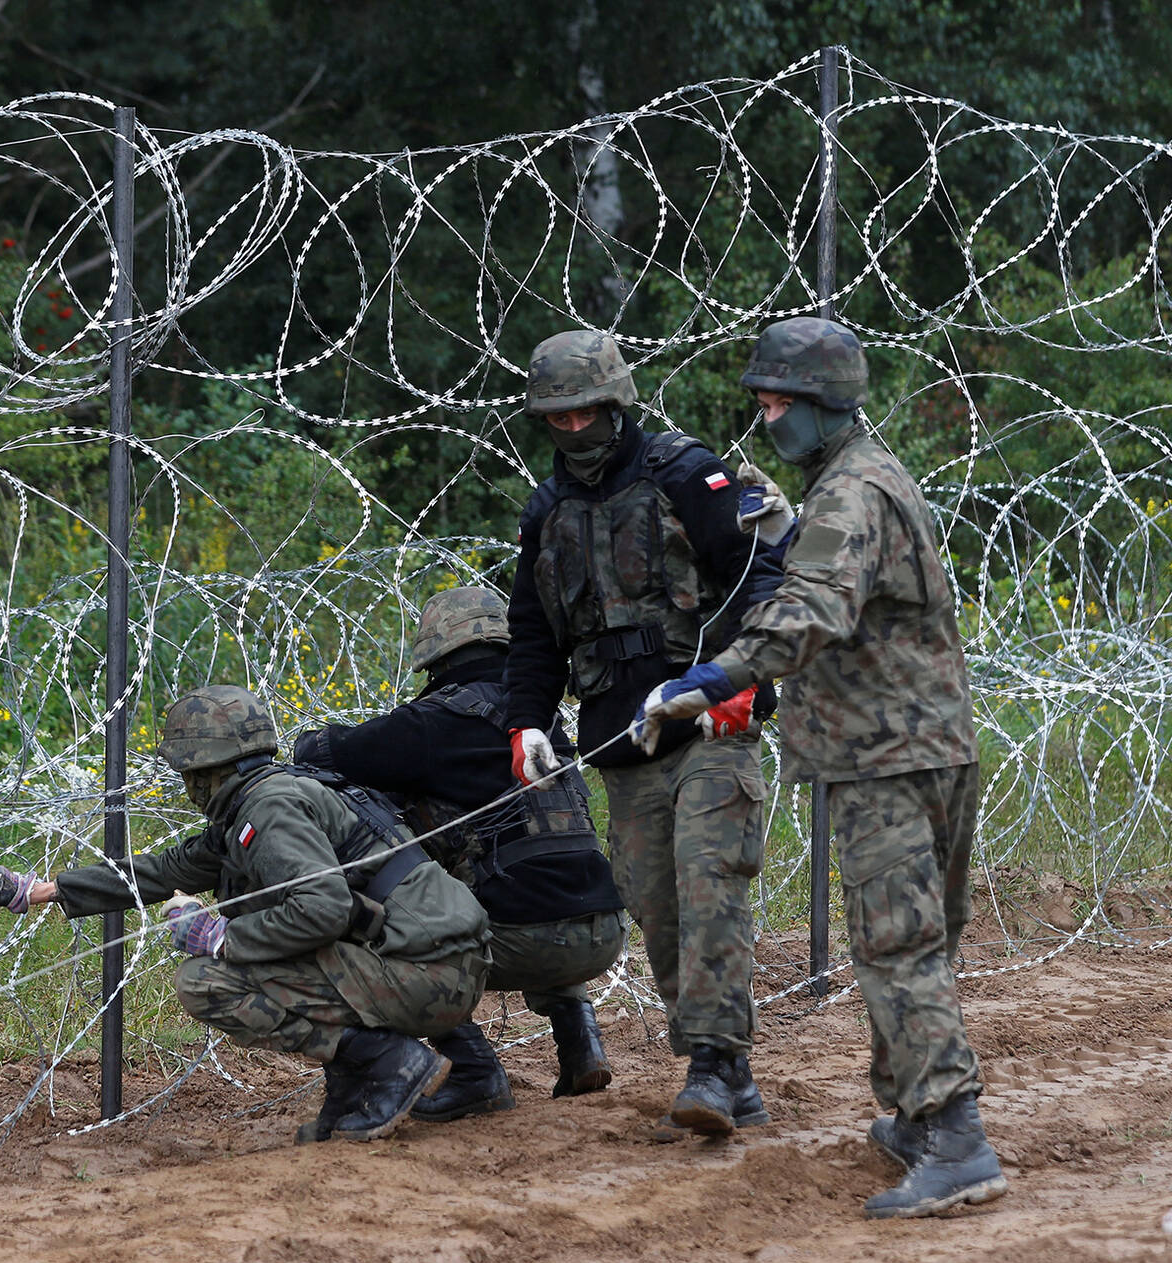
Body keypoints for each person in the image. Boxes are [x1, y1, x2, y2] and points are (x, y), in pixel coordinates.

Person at [631, 316, 1007, 1217]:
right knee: (917, 943)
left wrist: (716, 674)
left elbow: (815, 611)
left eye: (775, 405)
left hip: (884, 758)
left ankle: (956, 1141)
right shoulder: (872, 477)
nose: (766, 422)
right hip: (930, 745)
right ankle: (916, 1117)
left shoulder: (849, 494)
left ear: (820, 404)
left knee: (896, 947)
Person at [0, 685, 491, 1144]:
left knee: (205, 982)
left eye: (188, 773)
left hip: (425, 973)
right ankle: (357, 1082)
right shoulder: (263, 799)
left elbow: (324, 908)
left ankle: (390, 1061)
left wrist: (220, 937)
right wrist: (46, 890)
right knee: (276, 955)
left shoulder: (269, 810)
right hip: (433, 964)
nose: (186, 785)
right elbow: (163, 869)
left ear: (205, 770)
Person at [502, 329, 791, 1135]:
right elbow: (533, 634)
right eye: (556, 419)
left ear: (615, 403)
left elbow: (760, 574)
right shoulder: (548, 512)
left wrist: (743, 678)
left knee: (709, 890)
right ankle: (730, 1074)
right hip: (619, 742)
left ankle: (712, 1064)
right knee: (659, 910)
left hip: (711, 726)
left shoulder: (685, 473)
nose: (572, 431)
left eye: (585, 413)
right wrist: (527, 720)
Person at [293, 584, 626, 1120]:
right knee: (535, 872)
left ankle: (474, 1073)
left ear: (437, 654)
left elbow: (327, 751)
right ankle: (581, 1041)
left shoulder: (433, 723)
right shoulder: (542, 722)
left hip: (522, 940)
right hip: (603, 931)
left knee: (370, 935)